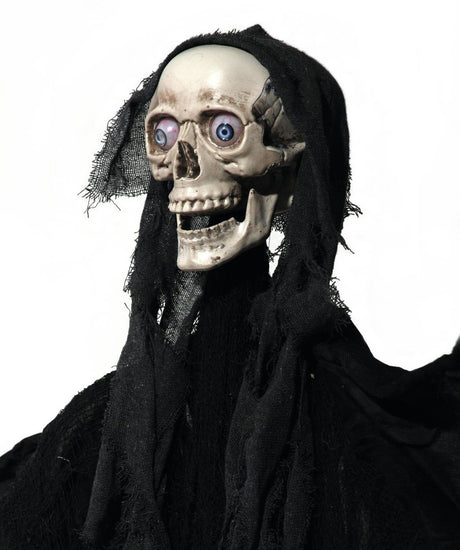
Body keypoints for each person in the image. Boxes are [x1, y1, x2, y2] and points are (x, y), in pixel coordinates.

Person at [0, 25, 459, 550]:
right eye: (164, 134)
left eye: (223, 130)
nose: (184, 164)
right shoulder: (101, 438)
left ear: (293, 165)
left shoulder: (351, 445)